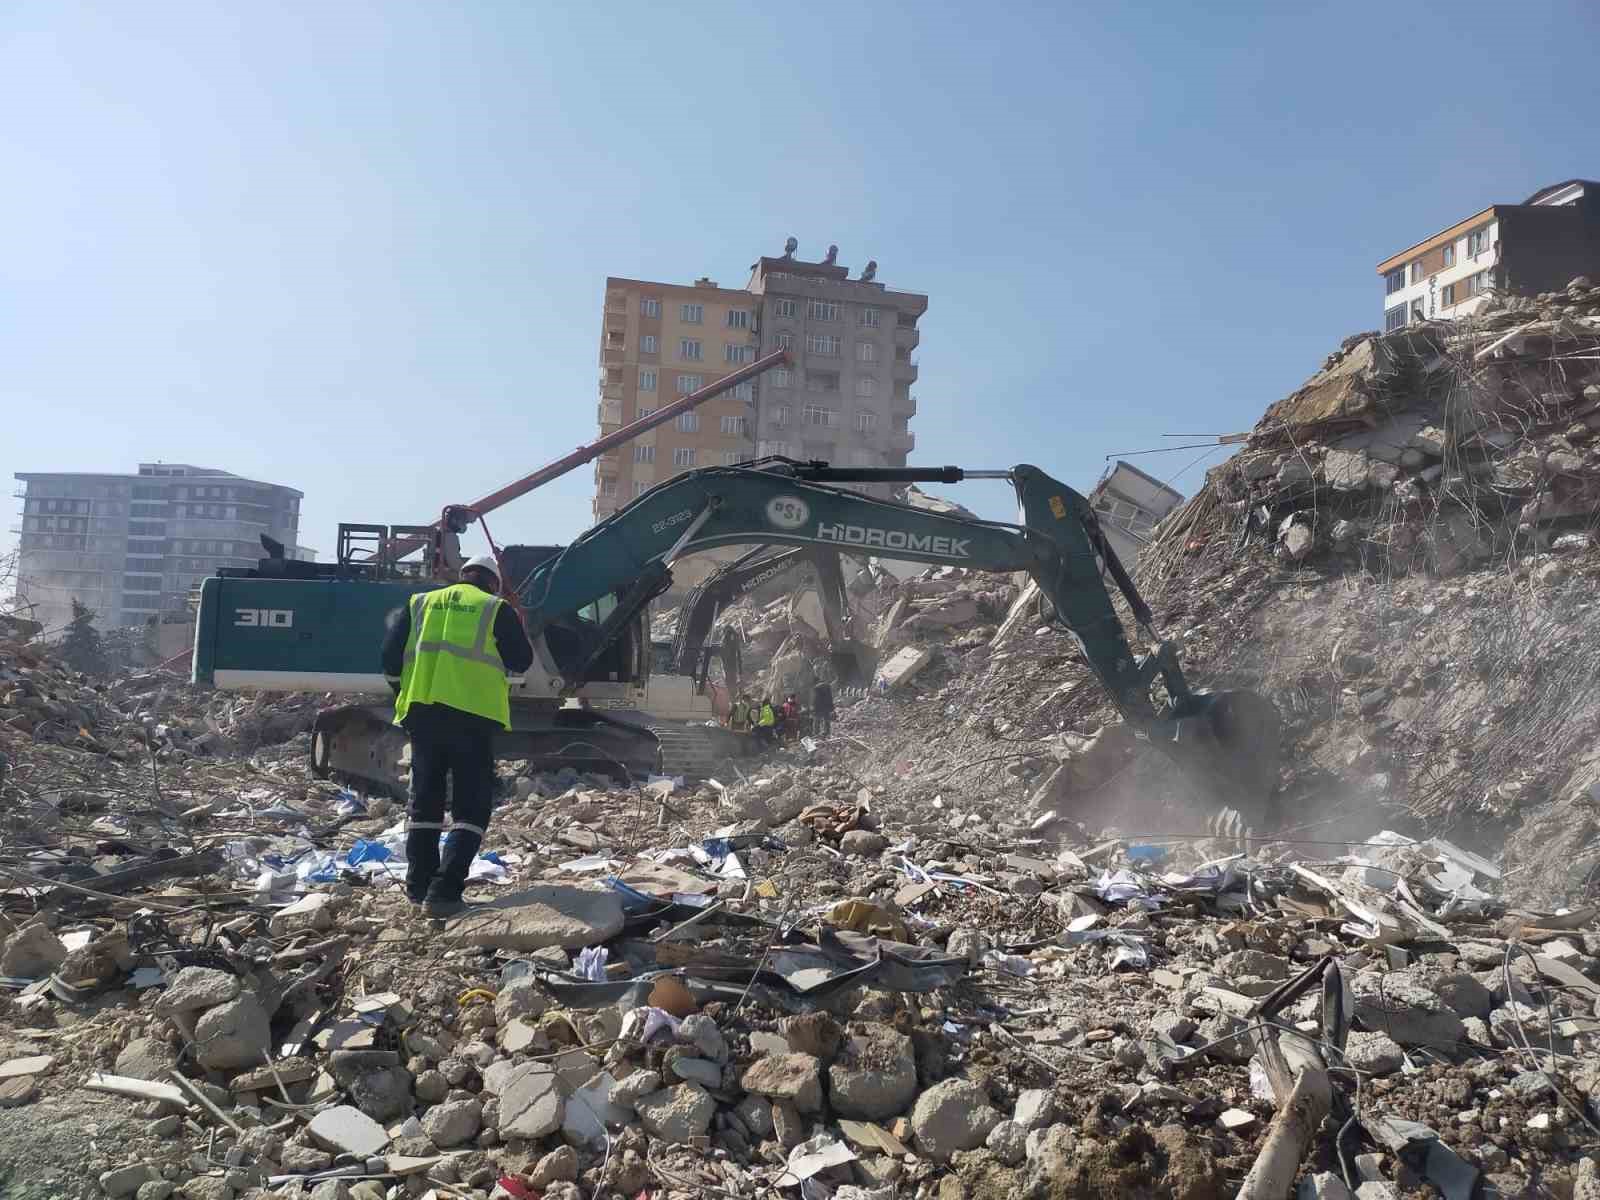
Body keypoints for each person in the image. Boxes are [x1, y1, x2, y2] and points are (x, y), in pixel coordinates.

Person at [381, 553, 534, 917]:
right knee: (471, 807)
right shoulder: (494, 608)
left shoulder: (420, 603)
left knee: (425, 801)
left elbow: (389, 658)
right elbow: (522, 661)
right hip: (473, 718)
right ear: (493, 583)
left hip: (423, 715)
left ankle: (418, 889)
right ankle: (445, 892)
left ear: (463, 575)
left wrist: (404, 695)